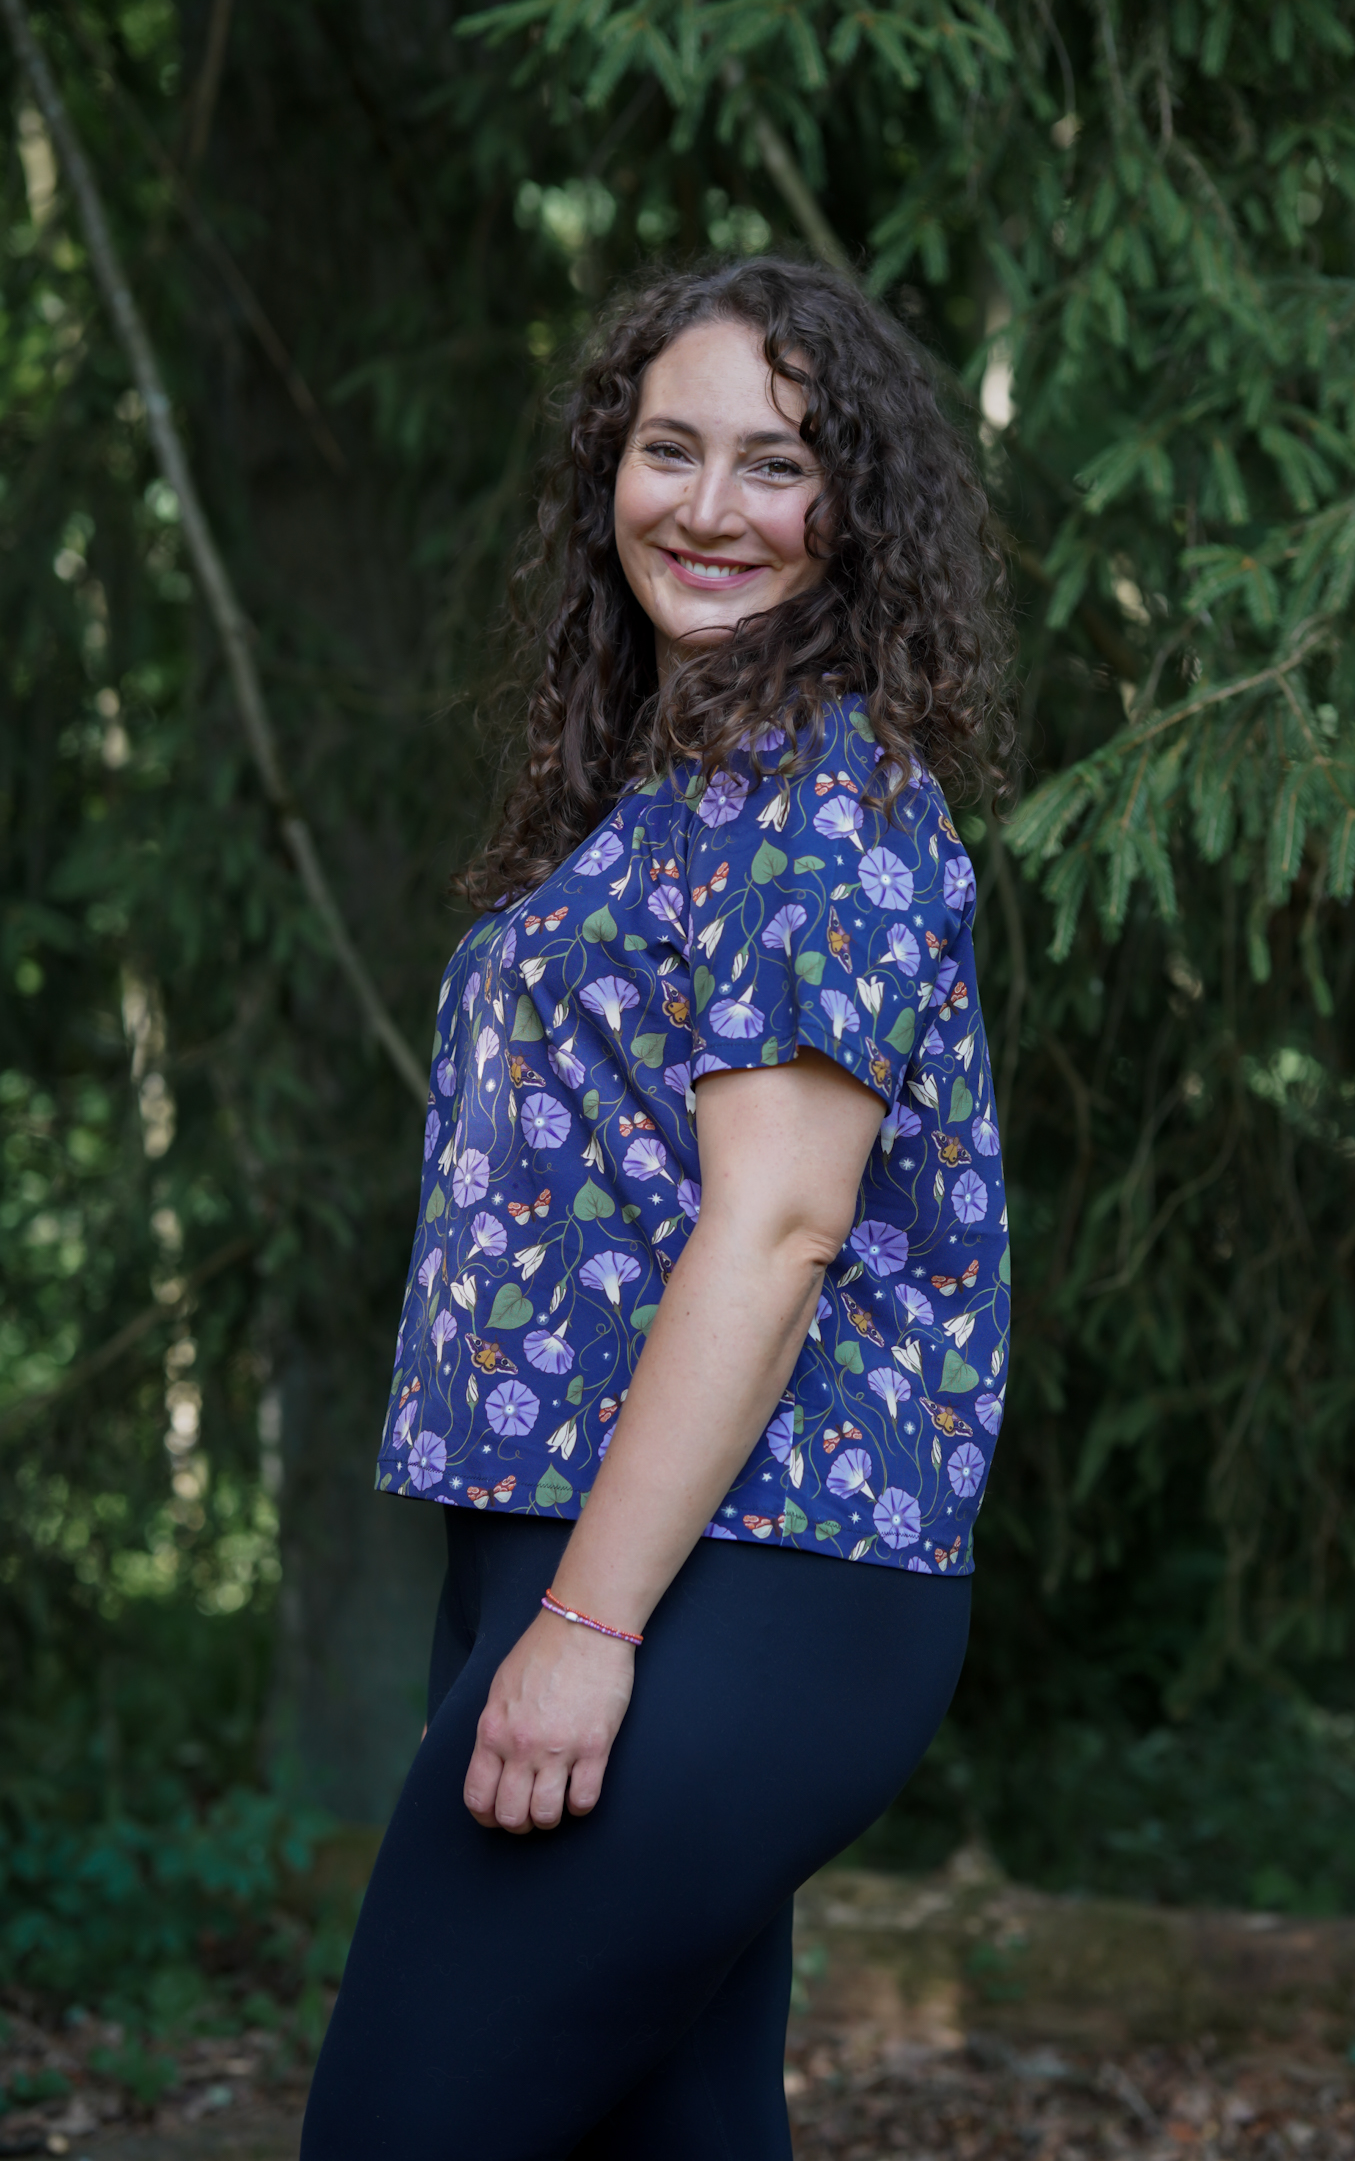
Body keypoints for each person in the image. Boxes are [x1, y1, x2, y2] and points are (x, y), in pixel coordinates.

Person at [301, 254, 1013, 2160]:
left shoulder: (817, 789)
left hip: (737, 1569)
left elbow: (779, 1231)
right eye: (668, 449)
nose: (708, 507)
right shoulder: (676, 788)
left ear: (856, 511)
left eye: (778, 464)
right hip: (605, 1541)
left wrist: (591, 1628)